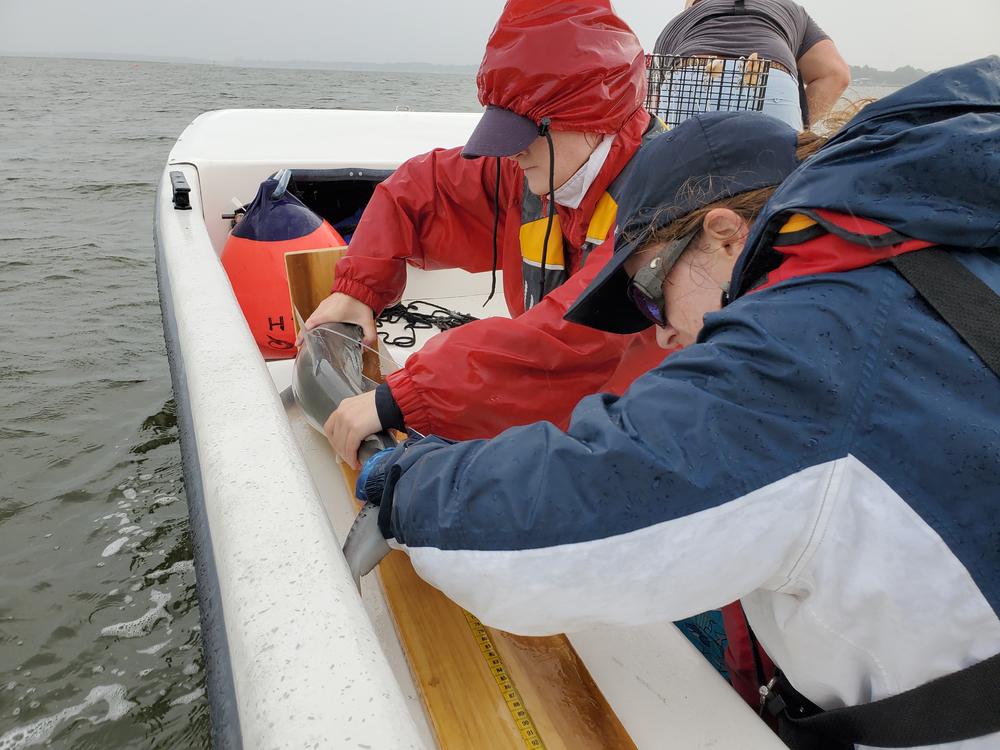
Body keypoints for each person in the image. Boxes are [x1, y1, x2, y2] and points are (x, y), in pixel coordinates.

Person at [352, 57, 1000, 749]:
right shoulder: (929, 250)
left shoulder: (813, 347)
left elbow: (558, 524)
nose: (659, 328)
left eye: (648, 289)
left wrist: (410, 481)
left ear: (723, 234)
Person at [301, 0, 666, 469]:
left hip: (635, 438)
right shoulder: (540, 170)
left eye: (524, 133)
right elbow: (420, 191)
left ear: (592, 116)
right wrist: (359, 289)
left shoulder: (662, 203)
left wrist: (405, 397)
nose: (511, 153)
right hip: (548, 424)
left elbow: (574, 339)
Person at [652, 0, 850, 129]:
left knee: (679, 187)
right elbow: (836, 75)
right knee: (779, 189)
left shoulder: (679, 22)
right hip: (770, 80)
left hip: (691, 80)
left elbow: (655, 100)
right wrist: (800, 126)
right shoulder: (790, 10)